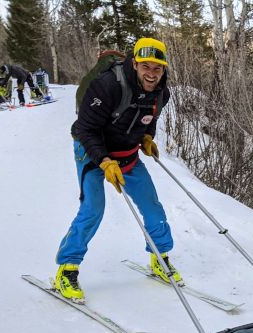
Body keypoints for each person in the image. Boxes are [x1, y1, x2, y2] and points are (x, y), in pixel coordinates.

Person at [53, 37, 176, 303]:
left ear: (164, 69)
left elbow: (148, 118)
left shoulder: (162, 93)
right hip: (92, 152)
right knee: (93, 209)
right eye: (146, 66)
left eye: (157, 68)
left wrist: (146, 138)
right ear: (135, 64)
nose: (151, 73)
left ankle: (159, 257)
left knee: (153, 207)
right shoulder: (107, 86)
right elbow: (85, 129)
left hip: (127, 153)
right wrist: (105, 161)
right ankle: (67, 268)